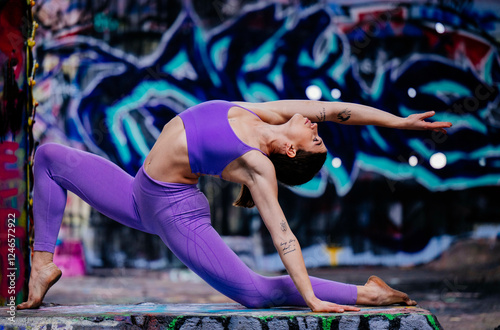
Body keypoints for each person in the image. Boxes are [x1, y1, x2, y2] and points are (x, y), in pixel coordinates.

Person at [17, 99, 452, 312]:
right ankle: (41, 265)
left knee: (256, 293)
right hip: (137, 193)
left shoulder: (258, 166)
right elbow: (338, 111)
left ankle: (368, 293)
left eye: (315, 138)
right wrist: (398, 121)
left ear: (291, 154)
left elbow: (283, 234)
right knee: (51, 158)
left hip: (174, 213)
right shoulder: (265, 114)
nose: (314, 125)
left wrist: (310, 299)